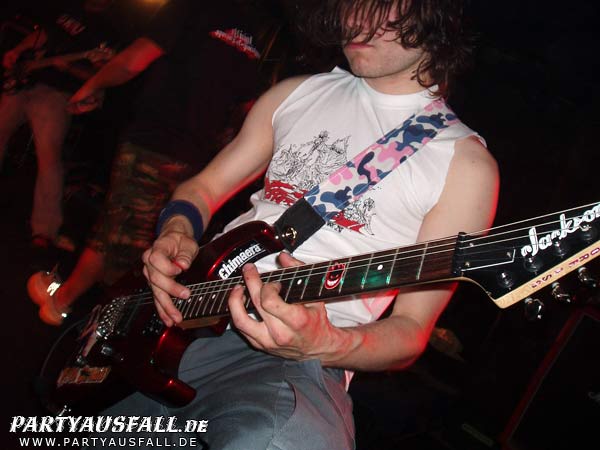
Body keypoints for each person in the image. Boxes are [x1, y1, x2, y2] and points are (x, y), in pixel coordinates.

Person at [102, 0, 500, 448]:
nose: (357, 22)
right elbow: (202, 188)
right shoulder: (295, 93)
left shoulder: (464, 164)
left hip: (286, 359)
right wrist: (176, 231)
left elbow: (411, 331)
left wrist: (325, 343)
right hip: (179, 315)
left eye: (382, 8)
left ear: (436, 19)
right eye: (352, 5)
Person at [26, 0, 269, 325]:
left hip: (156, 139)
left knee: (123, 232)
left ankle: (70, 307)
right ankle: (85, 304)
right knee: (133, 227)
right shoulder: (250, 34)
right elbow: (248, 107)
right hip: (197, 156)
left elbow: (135, 59)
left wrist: (92, 85)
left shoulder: (191, 8)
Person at [0, 0, 118, 248]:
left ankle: (45, 229)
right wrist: (17, 51)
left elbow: (102, 75)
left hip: (56, 94)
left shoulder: (108, 29)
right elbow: (43, 34)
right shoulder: (69, 8)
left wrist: (70, 67)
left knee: (48, 157)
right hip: (25, 81)